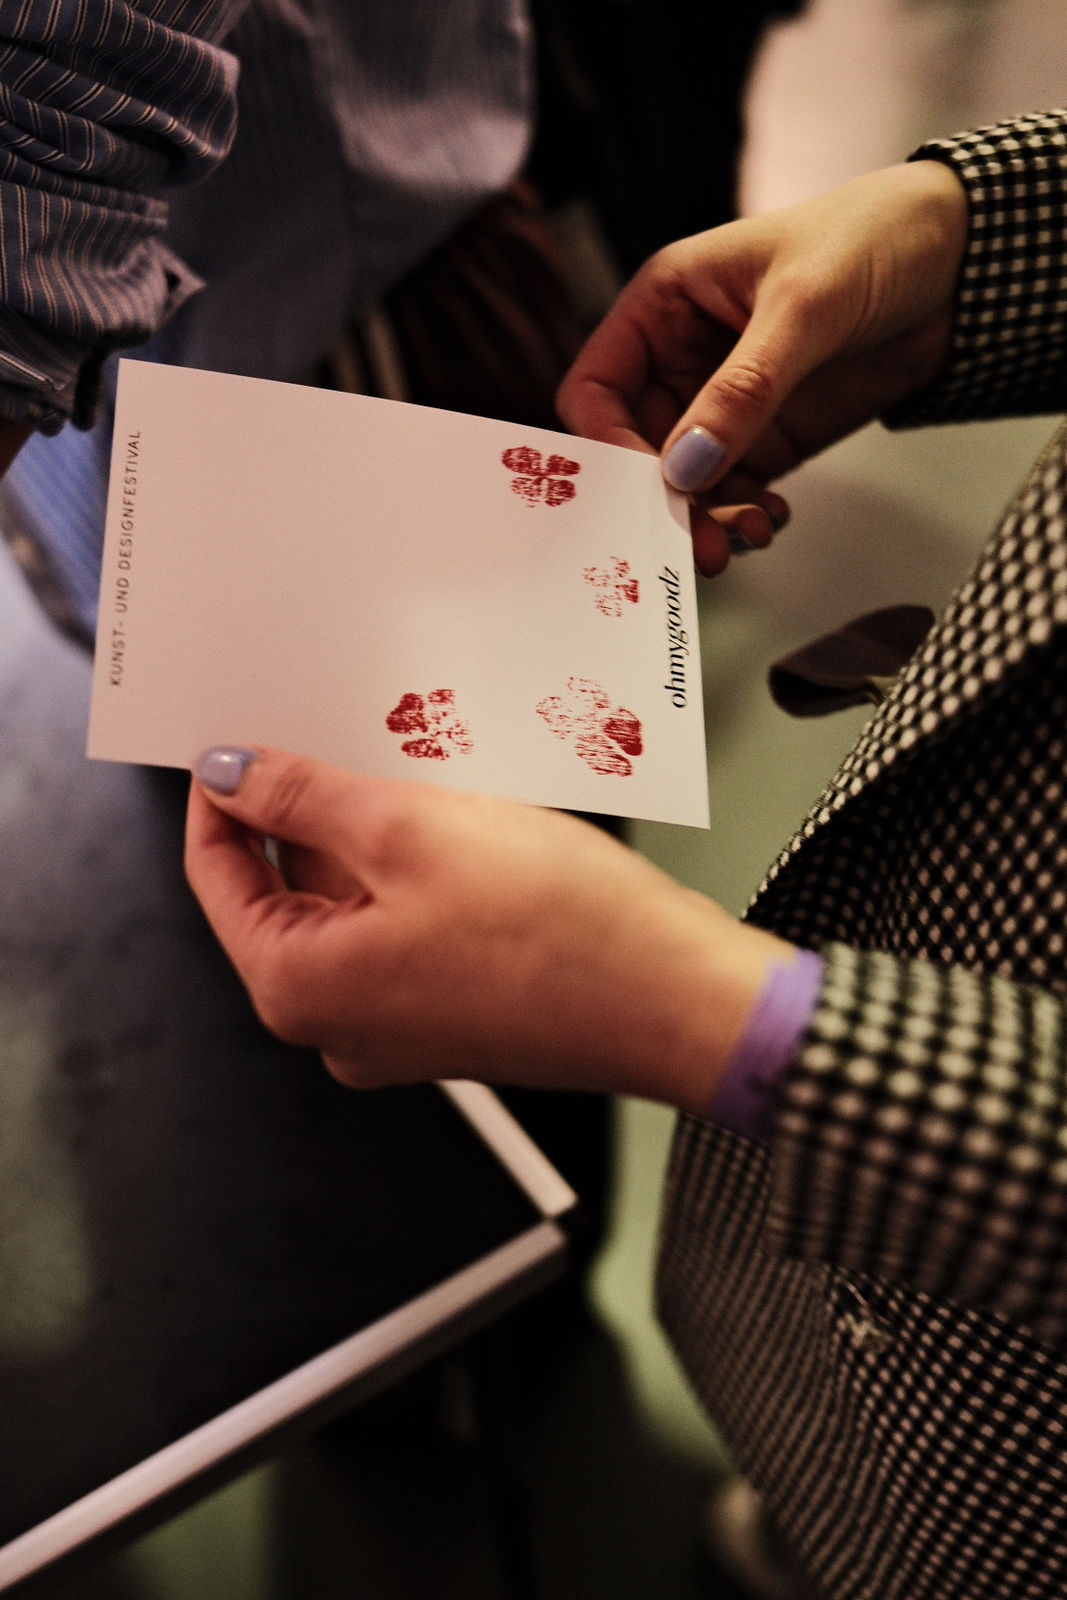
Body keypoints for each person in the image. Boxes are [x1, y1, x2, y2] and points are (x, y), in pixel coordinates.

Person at [185, 105, 1067, 1600]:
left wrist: (710, 1016)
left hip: (1021, 1487)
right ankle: (814, 1513)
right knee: (846, 1454)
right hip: (869, 1318)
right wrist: (983, 238)